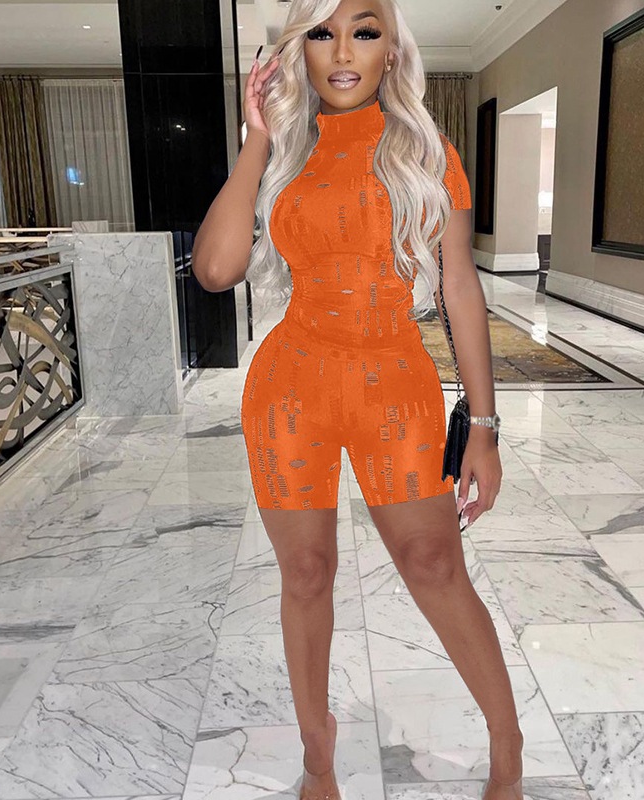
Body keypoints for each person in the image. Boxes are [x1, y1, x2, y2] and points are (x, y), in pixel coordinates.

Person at [192, 1, 524, 798]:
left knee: (434, 563)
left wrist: (483, 427)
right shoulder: (285, 149)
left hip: (395, 383)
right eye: (322, 33)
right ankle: (318, 755)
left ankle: (506, 741)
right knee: (306, 574)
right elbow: (215, 270)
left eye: (364, 32)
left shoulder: (427, 151)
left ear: (390, 50)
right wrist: (257, 137)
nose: (343, 51)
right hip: (291, 388)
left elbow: (459, 288)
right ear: (299, 51)